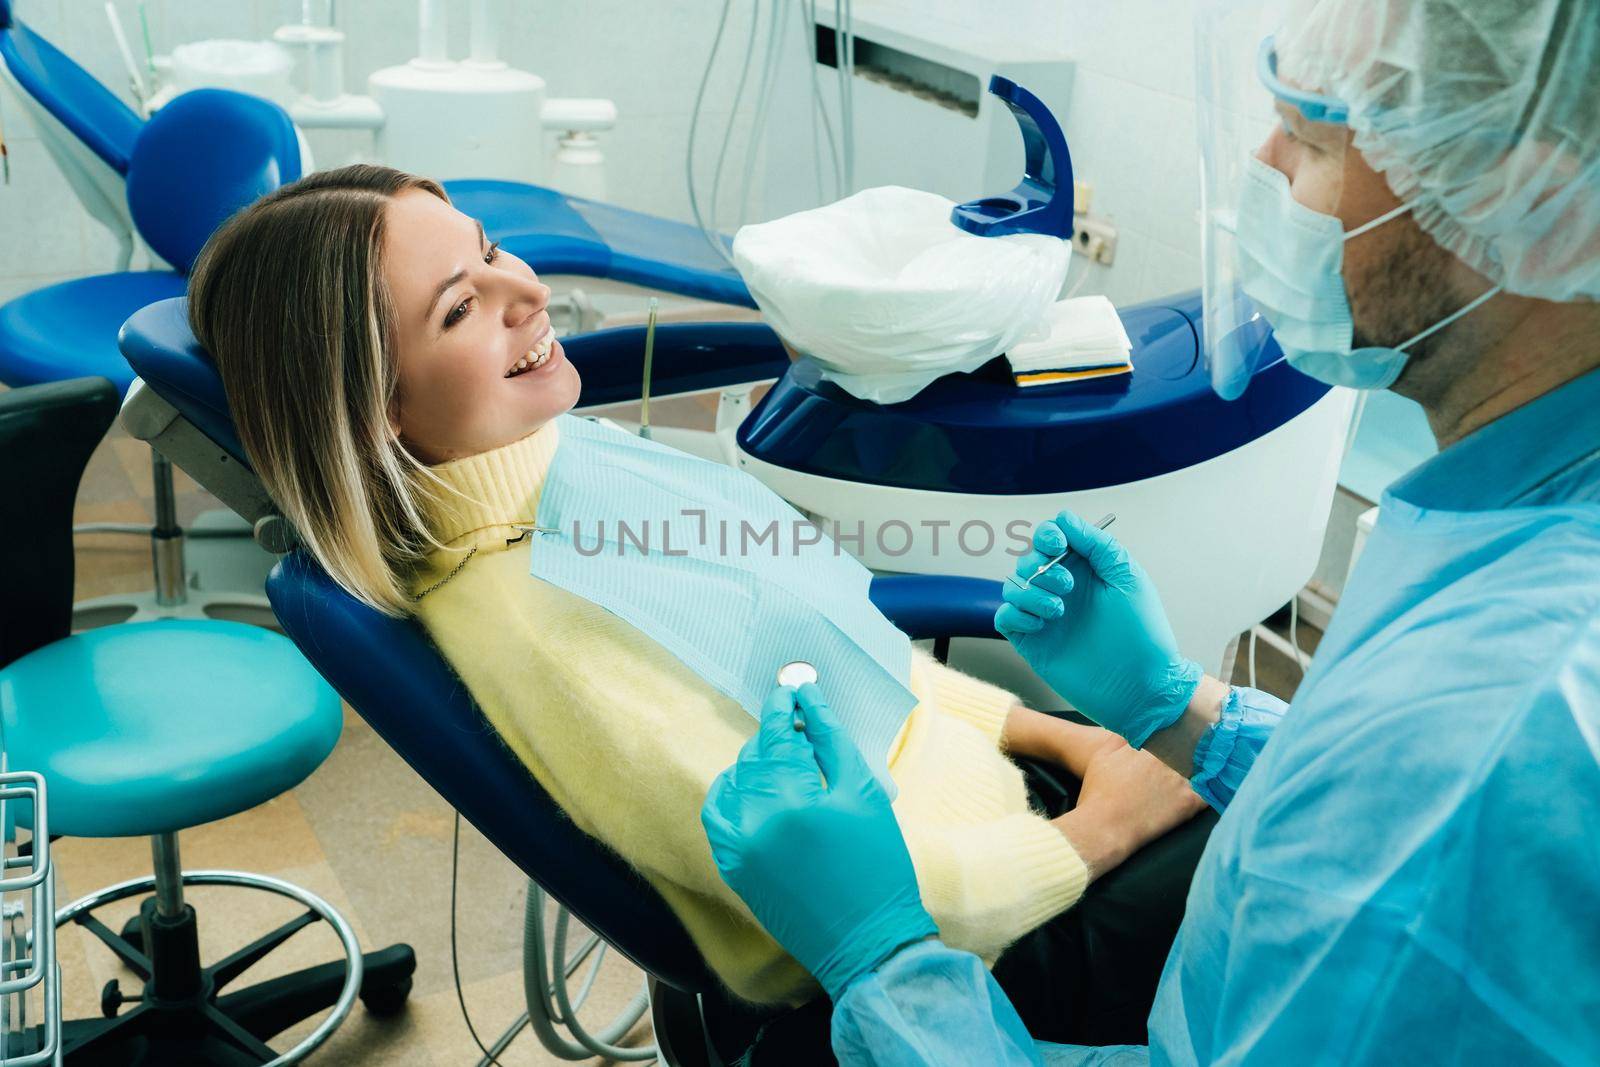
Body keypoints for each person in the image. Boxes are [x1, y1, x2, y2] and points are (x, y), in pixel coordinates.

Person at [702, 0, 1600, 1061]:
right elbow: (1376, 827)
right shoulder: (1528, 495)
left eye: (1311, 138)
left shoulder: (1490, 724)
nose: (1264, 166)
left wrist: (884, 961)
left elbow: (1427, 816)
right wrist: (1191, 717)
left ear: (1539, 202)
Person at [185, 164, 1210, 1023]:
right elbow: (842, 902)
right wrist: (1100, 829)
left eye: (493, 249)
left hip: (1000, 809)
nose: (528, 293)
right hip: (958, 945)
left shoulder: (561, 459)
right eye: (460, 307)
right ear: (380, 410)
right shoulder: (537, 624)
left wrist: (1061, 737)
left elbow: (829, 646)